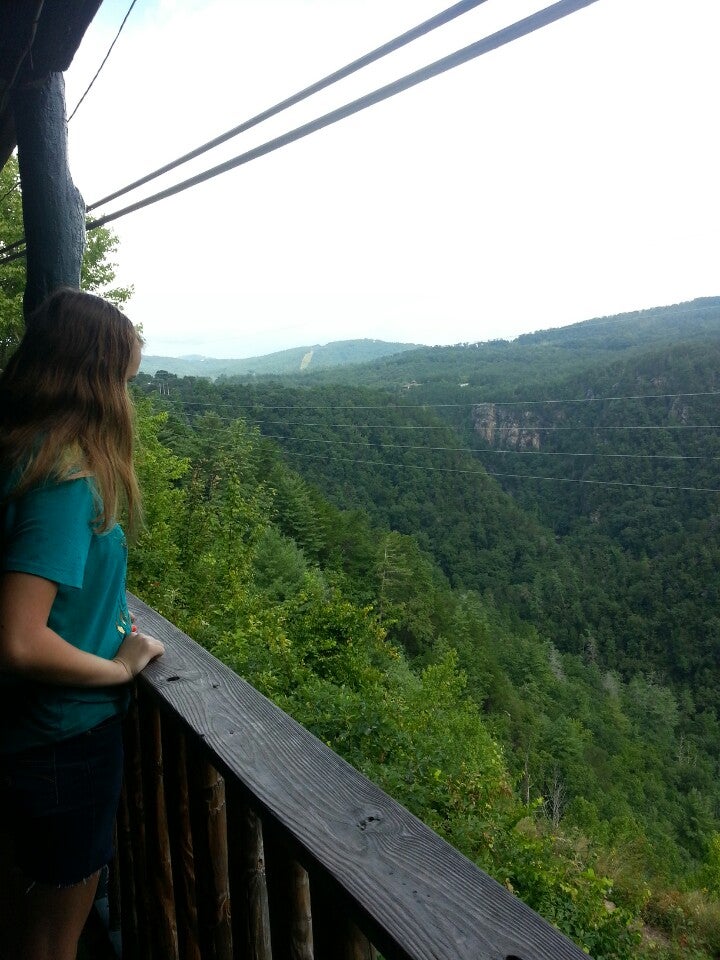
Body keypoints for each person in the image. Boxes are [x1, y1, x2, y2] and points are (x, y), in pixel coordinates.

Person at [0, 288, 165, 960]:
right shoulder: (65, 478)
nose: (129, 398)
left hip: (24, 741)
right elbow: (19, 638)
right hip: (61, 742)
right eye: (124, 380)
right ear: (95, 381)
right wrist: (118, 667)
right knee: (49, 945)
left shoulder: (20, 453)